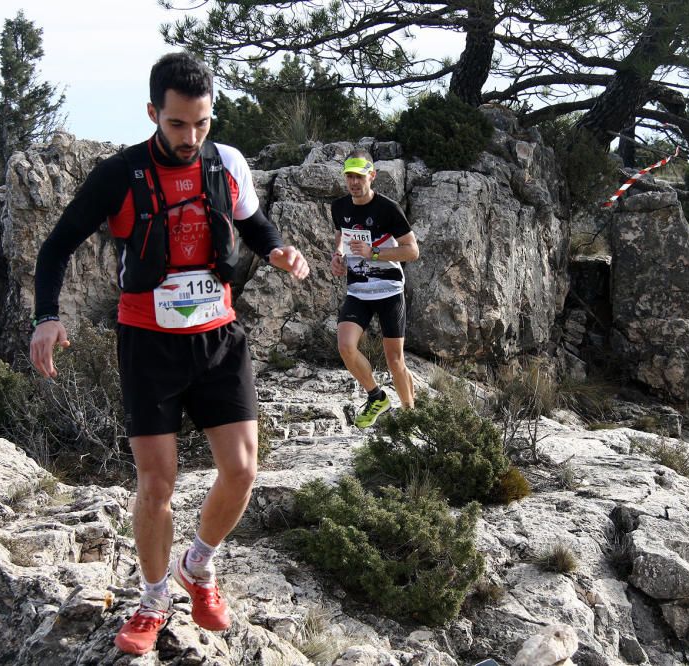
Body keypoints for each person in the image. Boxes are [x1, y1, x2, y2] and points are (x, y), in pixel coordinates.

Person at [29, 52, 309, 656]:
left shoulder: (226, 162)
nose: (191, 137)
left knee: (242, 470)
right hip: (150, 342)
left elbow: (252, 224)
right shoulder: (118, 174)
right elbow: (55, 248)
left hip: (218, 336)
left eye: (202, 123)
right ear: (153, 112)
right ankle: (153, 598)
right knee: (157, 483)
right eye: (178, 124)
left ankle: (197, 565)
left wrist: (281, 250)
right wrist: (46, 319)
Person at [330, 150, 420, 427]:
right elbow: (340, 236)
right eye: (349, 176)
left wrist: (374, 253)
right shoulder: (340, 207)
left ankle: (410, 415)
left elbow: (412, 251)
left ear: (372, 175)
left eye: (359, 176)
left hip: (389, 290)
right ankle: (376, 396)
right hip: (358, 290)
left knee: (395, 361)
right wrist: (338, 257)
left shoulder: (387, 208)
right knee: (346, 346)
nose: (354, 182)